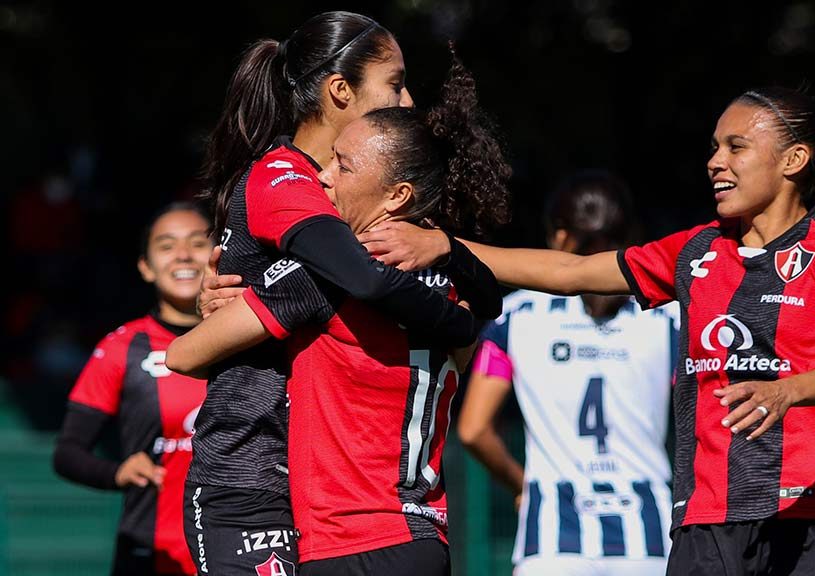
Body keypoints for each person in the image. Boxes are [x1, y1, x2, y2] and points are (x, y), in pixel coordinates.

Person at [358, 48, 815, 574]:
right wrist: (445, 245)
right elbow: (571, 271)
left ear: (794, 161)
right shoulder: (696, 252)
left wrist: (789, 391)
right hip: (703, 529)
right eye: (713, 148)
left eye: (734, 148)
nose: (714, 162)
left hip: (811, 522)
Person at [174, 11, 500, 576]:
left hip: (323, 496)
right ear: (341, 91)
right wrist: (461, 325)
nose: (406, 101)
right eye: (394, 83)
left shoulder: (361, 204)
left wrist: (447, 250)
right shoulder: (287, 179)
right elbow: (364, 279)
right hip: (251, 474)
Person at [458, 171, 679, 575]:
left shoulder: (516, 317)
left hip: (551, 540)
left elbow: (473, 429)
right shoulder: (668, 320)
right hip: (648, 536)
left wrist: (523, 485)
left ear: (558, 239)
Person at [53, 203, 213, 576]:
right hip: (151, 554)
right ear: (145, 266)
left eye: (197, 243)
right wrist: (118, 472)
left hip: (241, 551)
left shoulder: (259, 335)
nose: (184, 255)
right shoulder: (121, 347)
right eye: (167, 246)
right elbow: (67, 452)